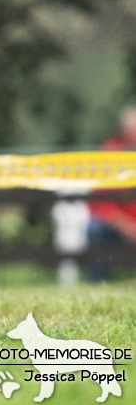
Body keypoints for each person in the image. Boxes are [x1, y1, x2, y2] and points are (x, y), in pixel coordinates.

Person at [87, 106, 136, 281]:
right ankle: (96, 284)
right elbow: (99, 202)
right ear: (124, 131)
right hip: (117, 227)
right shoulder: (109, 153)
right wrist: (127, 226)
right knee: (94, 229)